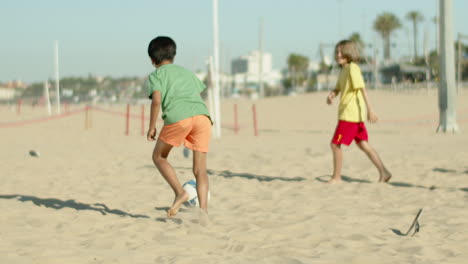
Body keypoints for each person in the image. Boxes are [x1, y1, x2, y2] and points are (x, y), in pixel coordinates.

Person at [146, 36, 212, 216]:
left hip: (179, 117)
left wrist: (152, 126)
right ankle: (203, 212)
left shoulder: (156, 75)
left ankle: (180, 192)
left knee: (159, 157)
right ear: (173, 55)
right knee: (200, 169)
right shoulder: (186, 72)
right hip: (203, 116)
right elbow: (198, 92)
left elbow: (157, 100)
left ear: (152, 60)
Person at [326, 39, 391, 184]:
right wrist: (332, 95)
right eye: (337, 52)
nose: (338, 54)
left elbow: (362, 88)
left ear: (349, 53)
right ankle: (384, 172)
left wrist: (370, 110)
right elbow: (338, 88)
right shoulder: (343, 70)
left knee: (335, 144)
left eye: (342, 52)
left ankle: (336, 177)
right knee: (363, 144)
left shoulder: (352, 68)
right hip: (351, 115)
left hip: (350, 115)